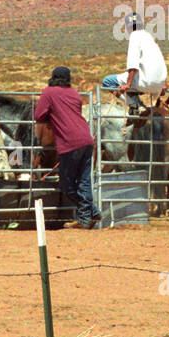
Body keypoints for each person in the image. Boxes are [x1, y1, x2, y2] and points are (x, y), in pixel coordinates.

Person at [34, 66, 99, 229]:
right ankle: (91, 213)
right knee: (84, 181)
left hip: (69, 142)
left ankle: (87, 215)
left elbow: (39, 115)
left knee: (66, 183)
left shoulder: (49, 92)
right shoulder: (75, 94)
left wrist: (52, 115)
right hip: (86, 139)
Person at [102, 12, 168, 107]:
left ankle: (135, 105)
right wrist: (163, 84)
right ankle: (134, 99)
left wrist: (128, 85)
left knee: (107, 81)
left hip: (145, 83)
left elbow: (133, 64)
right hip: (158, 85)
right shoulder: (149, 37)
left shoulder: (134, 36)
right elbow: (160, 62)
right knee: (131, 85)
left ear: (128, 28)